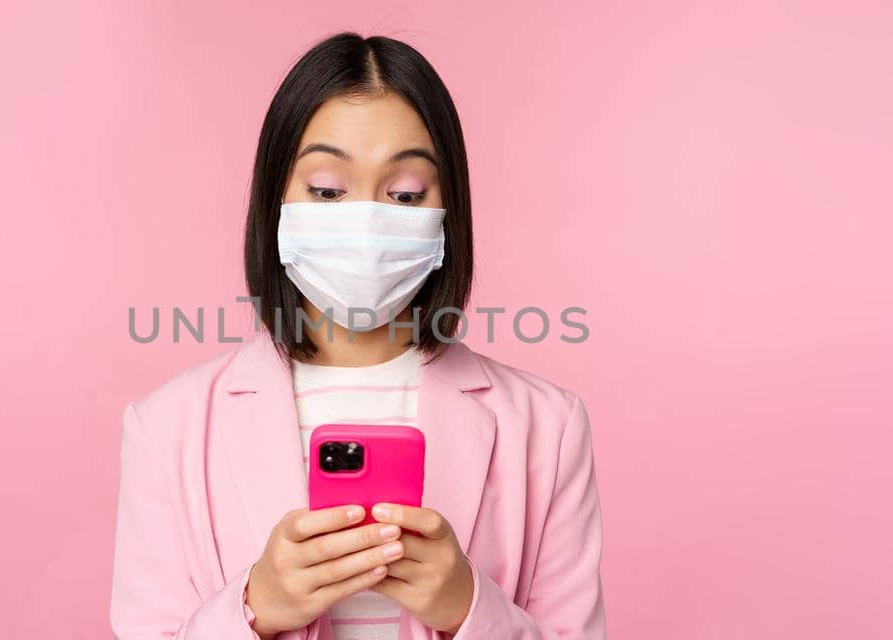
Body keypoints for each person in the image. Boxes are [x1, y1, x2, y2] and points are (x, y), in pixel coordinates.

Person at [111, 32, 605, 639]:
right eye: (326, 190)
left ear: (448, 212)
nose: (366, 219)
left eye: (404, 194)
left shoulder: (548, 427)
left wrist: (470, 609)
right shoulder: (166, 427)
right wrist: (254, 611)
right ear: (276, 202)